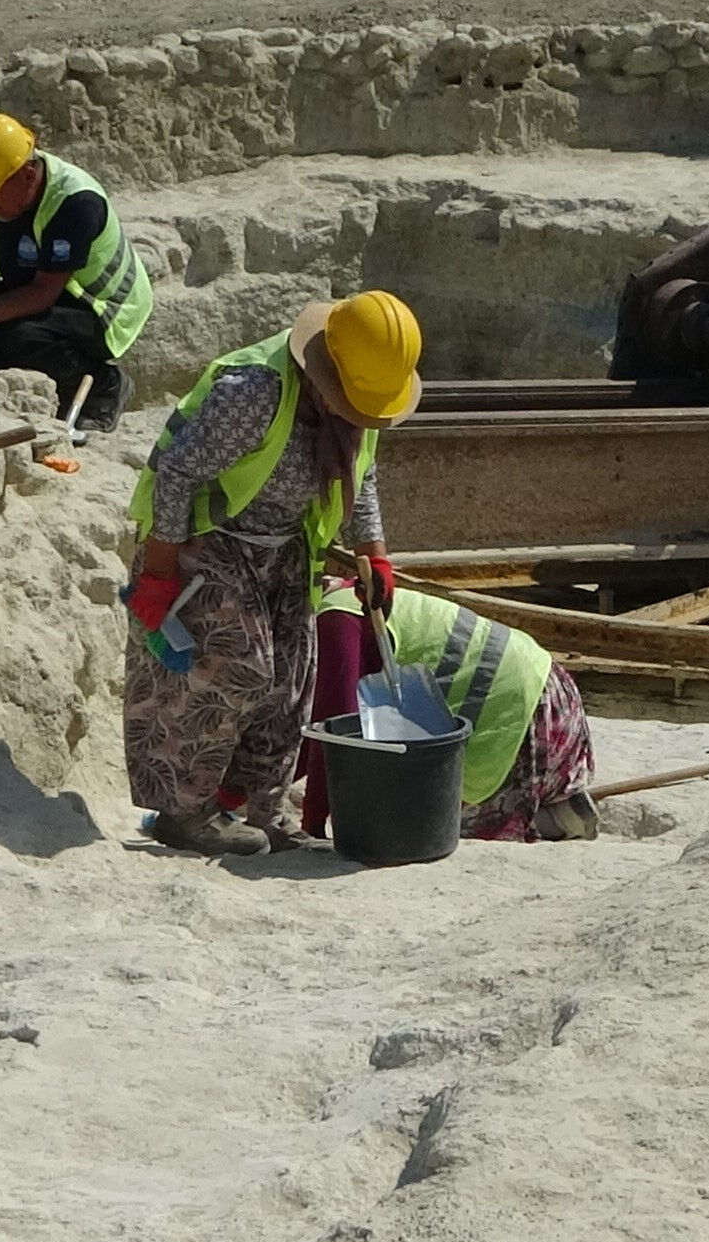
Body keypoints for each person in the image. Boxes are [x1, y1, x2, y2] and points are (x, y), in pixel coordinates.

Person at [123, 291, 420, 857]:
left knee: (289, 681)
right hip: (205, 538)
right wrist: (160, 573)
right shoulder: (254, 392)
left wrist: (374, 552)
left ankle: (257, 806)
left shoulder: (362, 401)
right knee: (232, 666)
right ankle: (185, 813)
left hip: (285, 545)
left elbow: (363, 476)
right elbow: (179, 474)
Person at [302, 583, 598, 844]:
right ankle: (560, 805)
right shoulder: (360, 593)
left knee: (431, 829)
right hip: (553, 692)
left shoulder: (336, 621)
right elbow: (308, 734)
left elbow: (334, 729)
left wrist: (312, 820)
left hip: (517, 712)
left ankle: (551, 821)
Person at [0, 112, 150, 430]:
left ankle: (103, 385)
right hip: (36, 288)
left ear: (28, 174)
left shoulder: (75, 204)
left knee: (23, 338)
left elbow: (44, 293)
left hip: (101, 307)